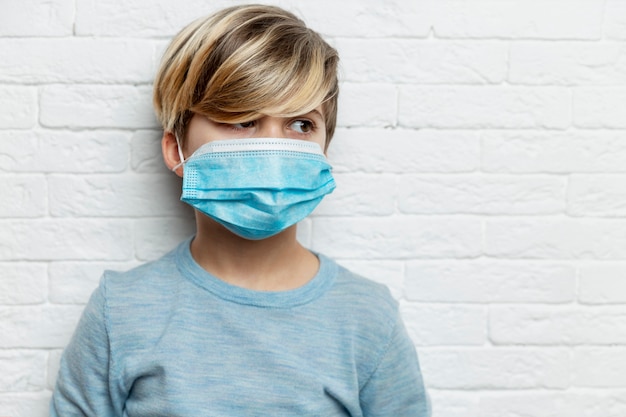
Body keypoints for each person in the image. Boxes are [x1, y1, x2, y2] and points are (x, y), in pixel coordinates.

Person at [50, 4, 431, 416]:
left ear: (324, 149)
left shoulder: (369, 319)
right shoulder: (119, 312)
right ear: (176, 149)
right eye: (242, 119)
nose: (273, 147)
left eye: (301, 124)